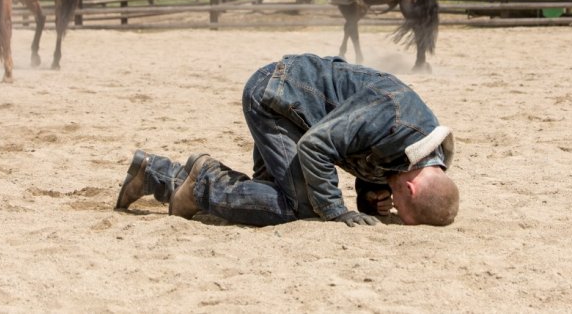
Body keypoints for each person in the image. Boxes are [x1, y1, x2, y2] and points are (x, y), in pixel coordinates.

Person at [115, 54, 459, 227]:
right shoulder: (394, 118)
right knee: (303, 207)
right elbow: (316, 145)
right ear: (413, 189)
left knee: (274, 199)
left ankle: (159, 175)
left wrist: (371, 198)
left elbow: (362, 154)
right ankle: (203, 181)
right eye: (400, 203)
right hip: (278, 99)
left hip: (292, 103)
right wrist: (336, 210)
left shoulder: (417, 151)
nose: (394, 203)